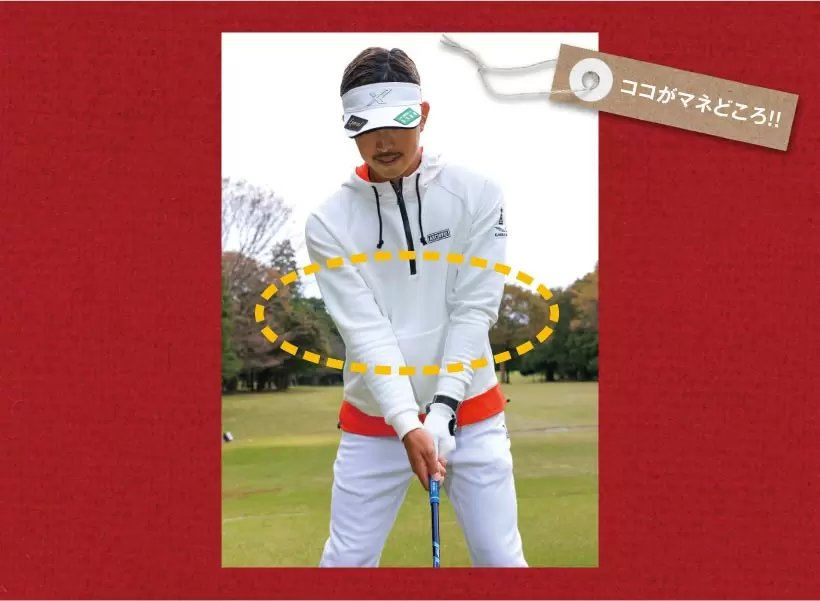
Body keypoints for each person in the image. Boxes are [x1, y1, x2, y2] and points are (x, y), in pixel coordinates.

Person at [305, 46, 527, 568]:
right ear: (348, 127)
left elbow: (474, 308)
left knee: (500, 559)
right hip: (374, 420)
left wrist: (444, 409)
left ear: (423, 115)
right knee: (346, 564)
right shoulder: (328, 222)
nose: (383, 141)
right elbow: (366, 332)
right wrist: (409, 422)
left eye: (397, 123)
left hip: (471, 413)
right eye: (365, 126)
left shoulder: (477, 193)